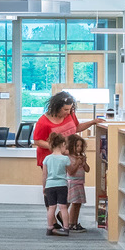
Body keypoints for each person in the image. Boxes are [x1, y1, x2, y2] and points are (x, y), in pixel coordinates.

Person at [32, 92, 104, 229]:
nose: (68, 112)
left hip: (67, 156)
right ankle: (52, 219)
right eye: (65, 109)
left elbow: (76, 128)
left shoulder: (70, 114)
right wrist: (57, 149)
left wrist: (93, 122)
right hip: (51, 158)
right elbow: (37, 141)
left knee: (69, 187)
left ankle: (64, 216)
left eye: (70, 109)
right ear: (56, 107)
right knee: (52, 186)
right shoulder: (43, 121)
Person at [42, 133, 71, 237]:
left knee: (51, 207)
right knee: (63, 207)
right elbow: (70, 172)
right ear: (63, 144)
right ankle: (66, 228)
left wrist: (44, 187)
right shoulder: (65, 159)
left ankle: (50, 228)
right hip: (62, 185)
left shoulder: (47, 159)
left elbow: (44, 175)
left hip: (50, 185)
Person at [65, 133, 91, 231]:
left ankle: (75, 222)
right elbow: (71, 172)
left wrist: (84, 162)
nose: (79, 148)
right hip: (72, 183)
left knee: (78, 203)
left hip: (80, 183)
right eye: (77, 146)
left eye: (81, 146)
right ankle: (71, 223)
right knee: (73, 202)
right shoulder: (69, 158)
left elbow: (87, 169)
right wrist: (77, 163)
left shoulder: (81, 157)